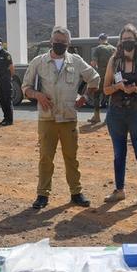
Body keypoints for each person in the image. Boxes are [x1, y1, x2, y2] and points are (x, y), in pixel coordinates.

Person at [22, 26, 101, 210]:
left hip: (68, 118)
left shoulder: (75, 60)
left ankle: (76, 193)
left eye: (63, 43)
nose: (59, 45)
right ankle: (42, 195)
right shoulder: (38, 62)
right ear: (51, 41)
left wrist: (85, 97)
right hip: (47, 118)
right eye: (56, 42)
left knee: (71, 158)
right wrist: (38, 95)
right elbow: (25, 88)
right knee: (45, 158)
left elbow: (94, 78)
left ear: (68, 44)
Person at [103, 24, 137, 206]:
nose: (127, 42)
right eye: (124, 39)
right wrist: (118, 87)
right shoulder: (114, 60)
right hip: (117, 113)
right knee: (119, 154)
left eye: (130, 39)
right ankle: (119, 190)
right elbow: (106, 89)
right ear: (120, 42)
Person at [89, 33, 116, 124]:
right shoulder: (114, 49)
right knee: (110, 96)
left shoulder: (98, 48)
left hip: (101, 75)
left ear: (100, 40)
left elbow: (93, 63)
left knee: (96, 95)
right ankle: (108, 118)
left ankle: (96, 117)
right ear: (107, 39)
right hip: (112, 76)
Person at [0, 37, 14, 126]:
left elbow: (11, 67)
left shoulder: (6, 54)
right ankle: (5, 118)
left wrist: (10, 77)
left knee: (7, 99)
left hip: (5, 80)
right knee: (2, 100)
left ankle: (9, 120)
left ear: (2, 45)